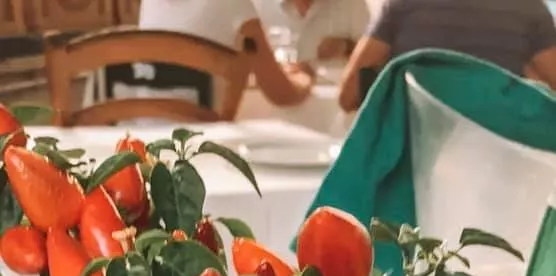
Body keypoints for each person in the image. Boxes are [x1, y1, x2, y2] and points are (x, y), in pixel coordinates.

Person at [339, 0, 556, 112]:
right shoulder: (529, 8)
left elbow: (348, 95)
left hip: (413, 164)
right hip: (496, 164)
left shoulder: (404, 3)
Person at [137, 0, 314, 107]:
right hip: (201, 144)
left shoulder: (150, 3)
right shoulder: (234, 4)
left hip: (146, 138)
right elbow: (281, 93)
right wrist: (305, 77)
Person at [257, 0, 371, 64]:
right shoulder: (262, 7)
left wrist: (347, 46)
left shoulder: (352, 4)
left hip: (334, 104)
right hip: (275, 103)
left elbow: (377, 59)